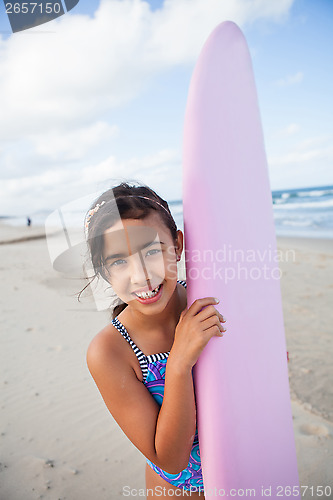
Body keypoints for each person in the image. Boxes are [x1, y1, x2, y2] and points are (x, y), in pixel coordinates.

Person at [85, 182, 226, 498]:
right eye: (119, 261)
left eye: (151, 251)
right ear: (105, 271)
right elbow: (171, 460)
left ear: (177, 245)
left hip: (247, 472)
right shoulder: (111, 352)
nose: (142, 276)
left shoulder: (212, 302)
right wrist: (178, 362)